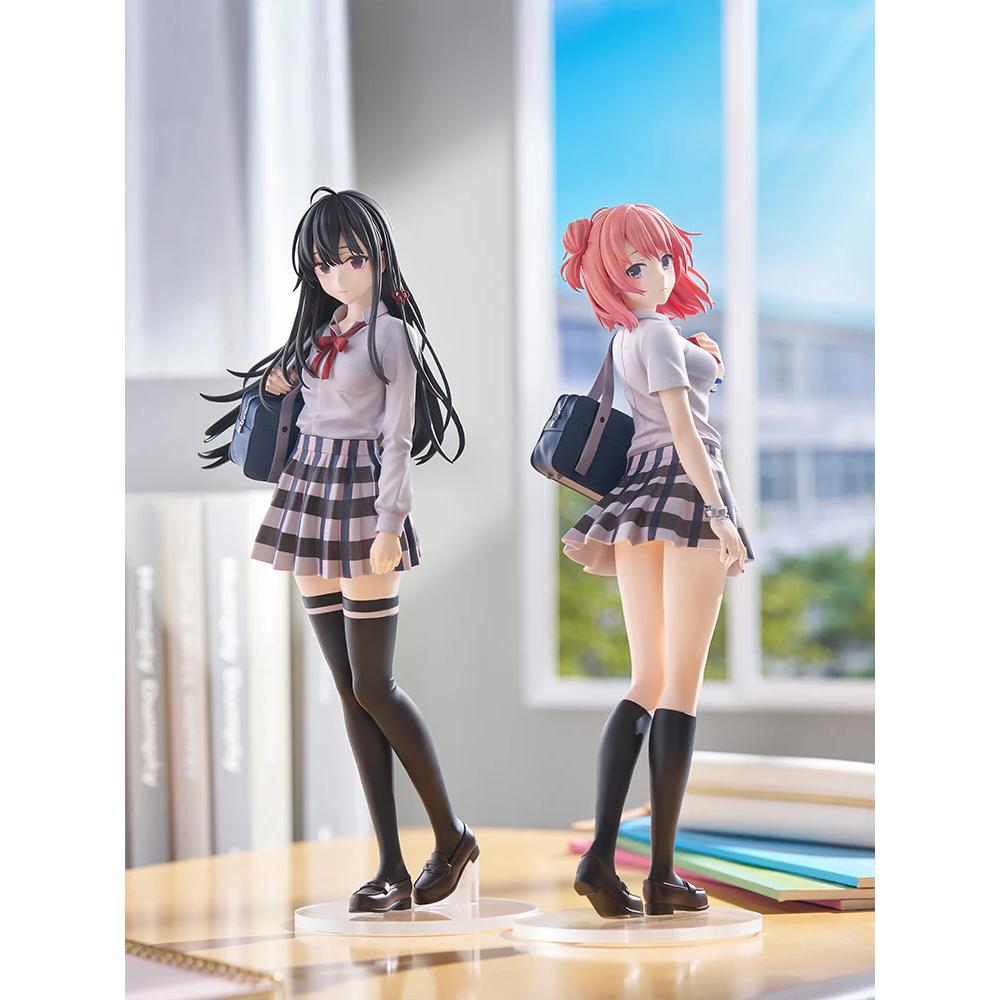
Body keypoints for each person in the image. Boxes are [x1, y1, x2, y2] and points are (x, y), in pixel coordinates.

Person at [202, 188, 477, 913]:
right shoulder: (321, 330)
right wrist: (276, 381)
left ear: (378, 256)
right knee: (350, 690)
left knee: (374, 686)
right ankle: (390, 866)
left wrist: (391, 521)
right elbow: (295, 406)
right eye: (324, 264)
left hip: (362, 499)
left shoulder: (390, 336)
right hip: (308, 493)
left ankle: (451, 836)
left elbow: (397, 436)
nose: (337, 274)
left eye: (350, 259)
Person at [559, 204, 755, 918]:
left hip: (636, 501)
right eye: (637, 265)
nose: (659, 275)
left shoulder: (627, 338)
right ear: (609, 275)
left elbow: (666, 401)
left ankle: (600, 857)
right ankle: (663, 873)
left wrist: (705, 362)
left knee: (646, 679)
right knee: (681, 689)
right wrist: (721, 514)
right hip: (684, 495)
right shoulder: (661, 335)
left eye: (664, 260)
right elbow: (684, 430)